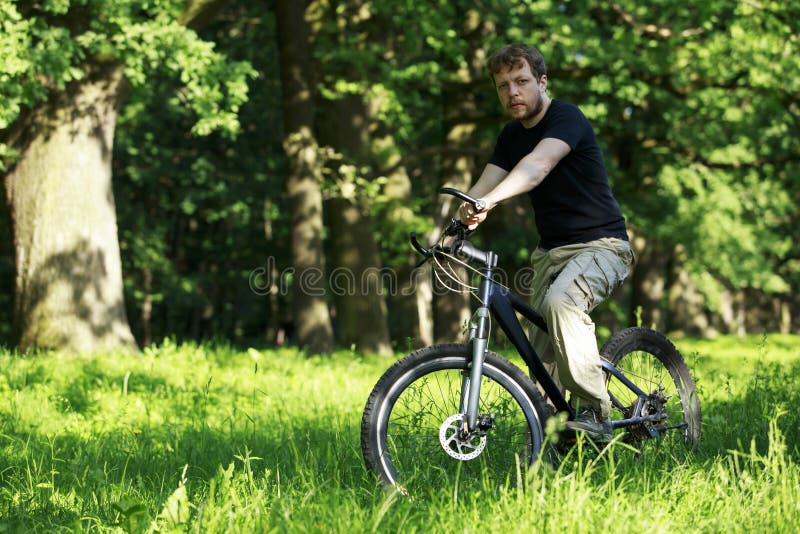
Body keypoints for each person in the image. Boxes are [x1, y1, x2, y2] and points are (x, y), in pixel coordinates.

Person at [457, 43, 634, 442]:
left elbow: (537, 166)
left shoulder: (566, 117)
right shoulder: (510, 136)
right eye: (503, 86)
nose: (512, 92)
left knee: (561, 304)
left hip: (602, 246)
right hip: (550, 255)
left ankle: (595, 411)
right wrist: (456, 225)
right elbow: (483, 184)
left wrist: (490, 202)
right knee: (540, 356)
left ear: (542, 81)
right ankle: (550, 439)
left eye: (521, 82)